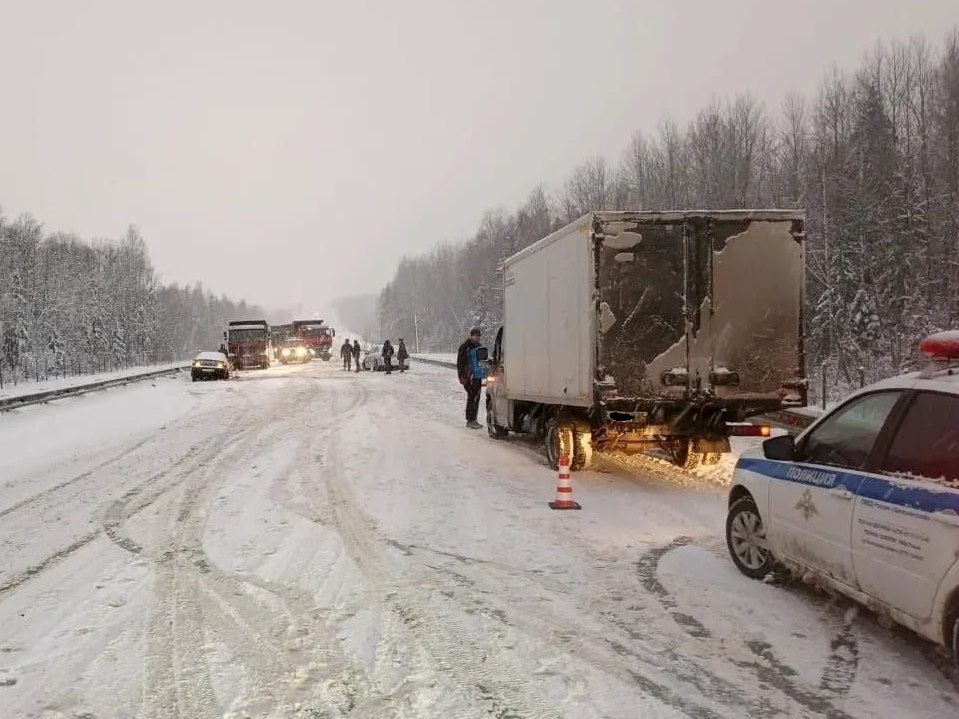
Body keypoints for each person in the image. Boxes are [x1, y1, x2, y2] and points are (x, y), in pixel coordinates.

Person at [456, 328, 485, 429]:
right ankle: (470, 420)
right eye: (476, 335)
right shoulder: (465, 347)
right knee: (471, 396)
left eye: (479, 336)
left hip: (477, 376)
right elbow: (460, 363)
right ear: (471, 336)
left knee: (476, 397)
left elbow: (482, 361)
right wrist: (462, 377)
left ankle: (474, 419)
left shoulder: (479, 347)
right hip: (468, 377)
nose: (478, 338)